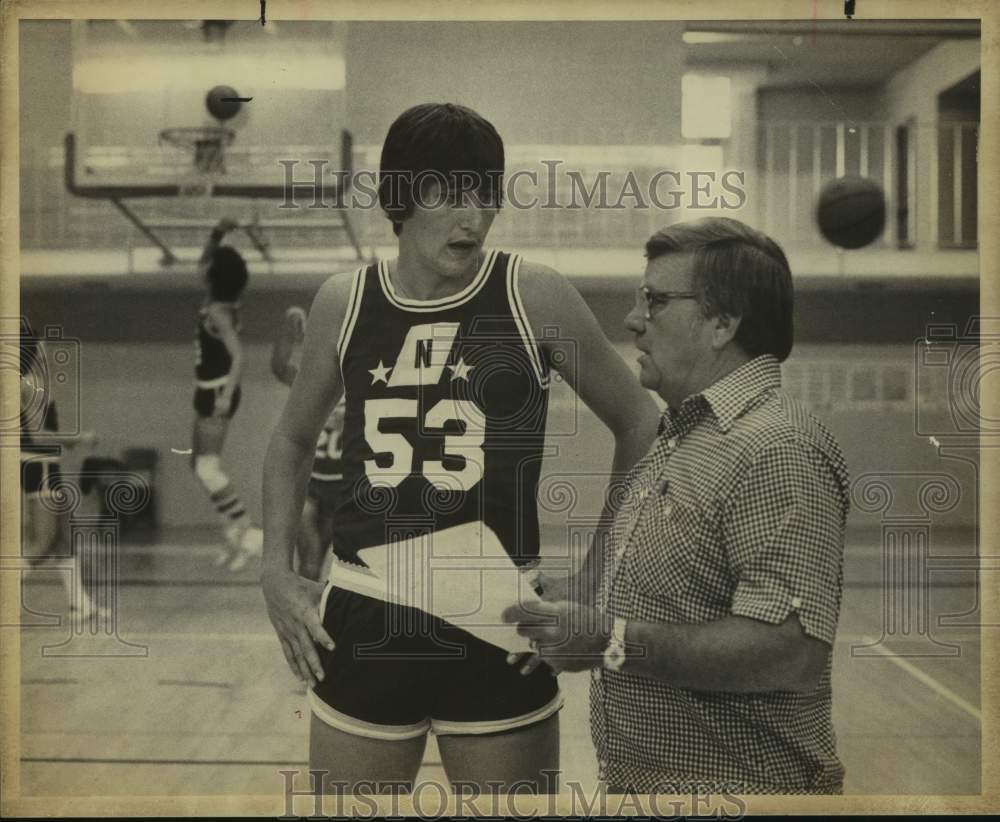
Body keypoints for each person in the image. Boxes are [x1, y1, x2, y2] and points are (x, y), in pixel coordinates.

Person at [261, 102, 659, 794]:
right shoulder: (343, 300)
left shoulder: (533, 294)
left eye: (486, 192)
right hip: (366, 608)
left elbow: (640, 423)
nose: (473, 216)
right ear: (400, 196)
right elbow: (292, 439)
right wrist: (273, 567)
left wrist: (597, 577)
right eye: (448, 191)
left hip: (500, 614)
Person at [504, 217, 851, 795]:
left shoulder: (776, 447)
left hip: (740, 795)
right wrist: (581, 596)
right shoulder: (683, 435)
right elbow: (676, 595)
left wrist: (608, 640)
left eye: (656, 301)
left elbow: (789, 651)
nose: (633, 319)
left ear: (722, 323)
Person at [191, 217, 262, 572]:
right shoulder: (217, 301)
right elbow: (202, 264)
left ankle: (248, 531)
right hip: (206, 388)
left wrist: (225, 395)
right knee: (200, 465)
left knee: (207, 468)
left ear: (216, 275)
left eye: (210, 267)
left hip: (218, 389)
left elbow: (239, 356)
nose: (203, 269)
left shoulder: (219, 312)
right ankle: (232, 534)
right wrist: (217, 232)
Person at [19, 318, 102, 621]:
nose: (46, 347)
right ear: (32, 349)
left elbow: (38, 434)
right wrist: (80, 438)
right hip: (39, 467)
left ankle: (80, 604)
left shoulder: (27, 384)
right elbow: (40, 437)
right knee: (44, 541)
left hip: (40, 464)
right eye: (40, 343)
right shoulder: (31, 385)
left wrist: (65, 443)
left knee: (64, 539)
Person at [270, 305, 347, 582]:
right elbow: (280, 368)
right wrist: (289, 332)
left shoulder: (364, 384)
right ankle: (308, 621)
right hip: (310, 481)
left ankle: (324, 617)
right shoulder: (311, 381)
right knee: (309, 561)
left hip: (341, 484)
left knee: (328, 563)